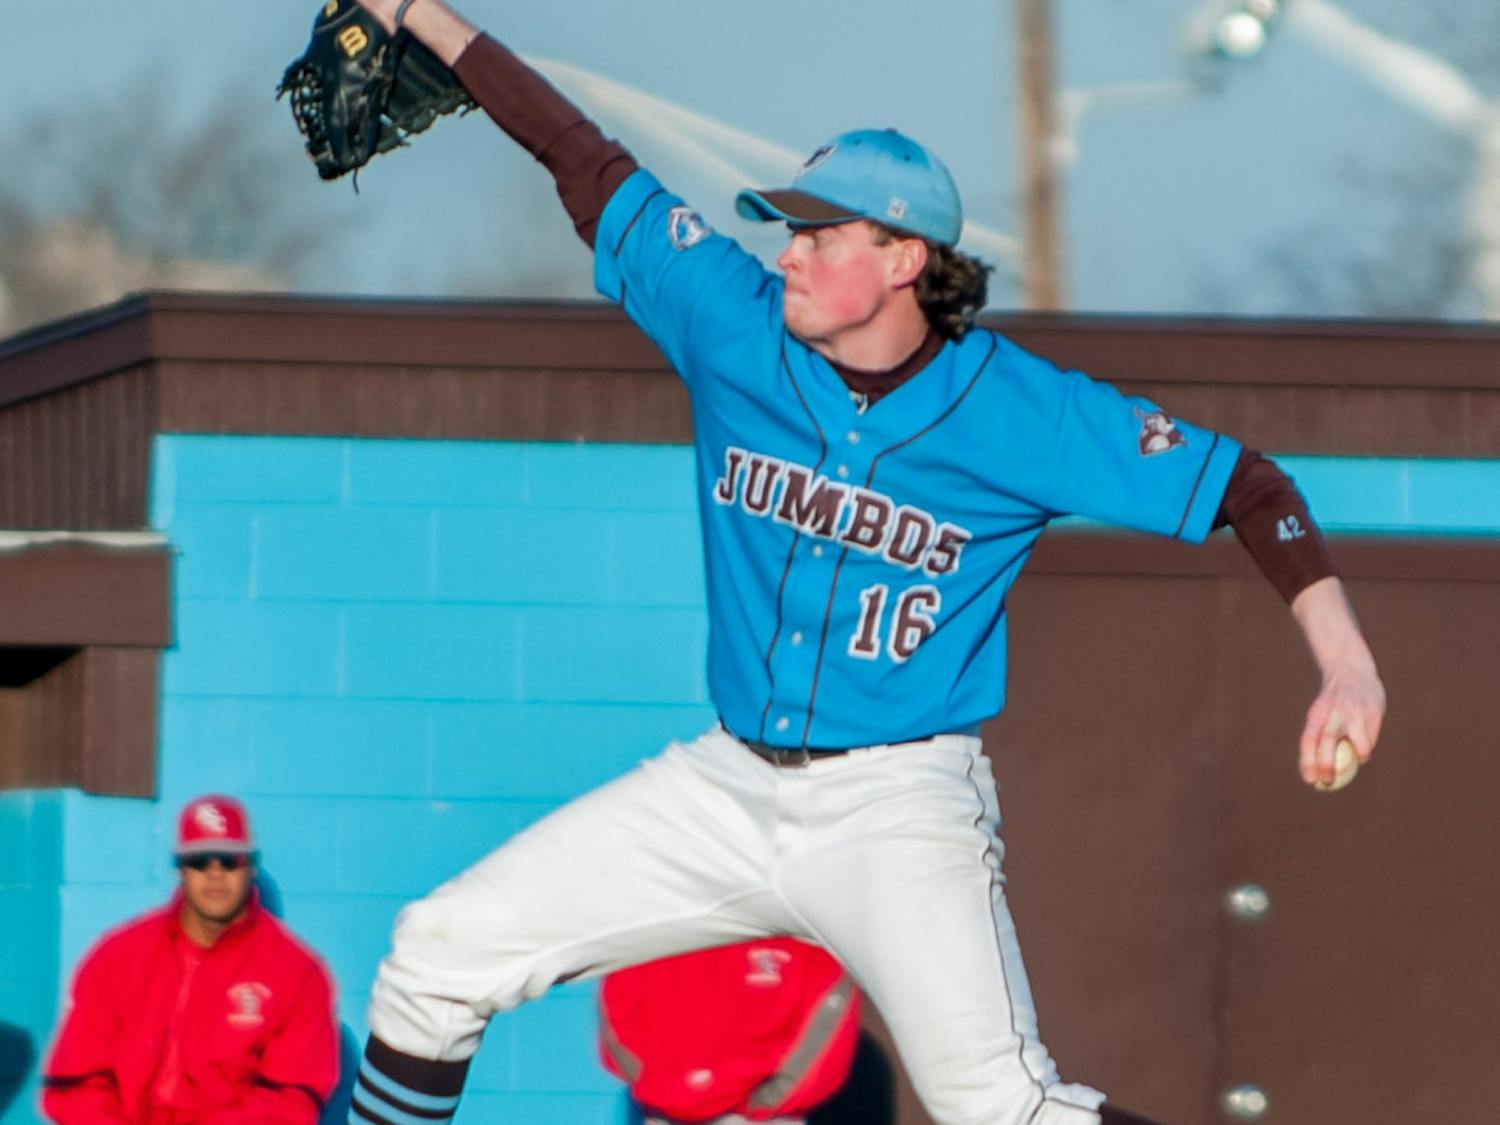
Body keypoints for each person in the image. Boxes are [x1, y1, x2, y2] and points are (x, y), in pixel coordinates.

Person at [342, 4, 1387, 1123]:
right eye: (787, 231)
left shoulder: (1018, 410)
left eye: (818, 235)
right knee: (436, 956)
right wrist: (421, 17)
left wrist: (1347, 667)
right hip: (726, 787)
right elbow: (583, 159)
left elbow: (1253, 489)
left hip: (897, 804)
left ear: (902, 259)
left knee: (1003, 1111)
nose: (784, 252)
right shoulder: (730, 323)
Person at [42, 794, 339, 1124]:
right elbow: (77, 1082)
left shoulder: (298, 974)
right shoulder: (118, 957)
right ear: (181, 868)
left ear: (251, 865)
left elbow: (290, 1101)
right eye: (200, 860)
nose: (215, 873)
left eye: (229, 861)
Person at [599, 937, 861, 1125]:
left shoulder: (803, 942)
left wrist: (767, 1103)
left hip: (757, 1118)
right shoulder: (645, 944)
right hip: (670, 1114)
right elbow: (616, 1021)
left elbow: (827, 1023)